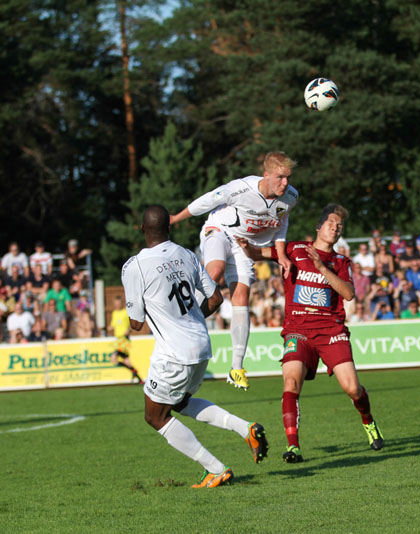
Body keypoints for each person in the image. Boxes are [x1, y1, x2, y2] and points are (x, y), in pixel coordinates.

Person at [122, 205, 268, 488]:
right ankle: (245, 428)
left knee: (155, 416)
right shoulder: (187, 254)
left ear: (142, 230)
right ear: (169, 228)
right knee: (180, 402)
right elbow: (215, 300)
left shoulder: (134, 266)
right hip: (201, 345)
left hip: (174, 353)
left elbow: (136, 323)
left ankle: (215, 469)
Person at [235, 204, 384, 463]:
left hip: (330, 330)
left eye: (340, 226)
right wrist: (245, 245)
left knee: (352, 389)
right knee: (291, 384)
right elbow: (258, 253)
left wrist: (322, 268)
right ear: (319, 226)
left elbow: (348, 294)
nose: (336, 229)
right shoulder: (294, 249)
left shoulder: (340, 262)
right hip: (298, 330)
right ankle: (293, 447)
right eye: (331, 223)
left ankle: (368, 421)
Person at [170, 151, 298, 391]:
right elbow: (207, 200)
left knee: (241, 297)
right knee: (215, 272)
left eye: (288, 177)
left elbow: (282, 225)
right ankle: (183, 322)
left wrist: (280, 254)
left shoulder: (290, 197)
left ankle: (236, 368)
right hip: (219, 231)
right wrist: (175, 218)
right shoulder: (240, 188)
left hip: (244, 247)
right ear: (267, 174)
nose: (286, 183)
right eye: (280, 177)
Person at [107, 295, 142, 383]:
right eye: (115, 303)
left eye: (118, 303)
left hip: (123, 339)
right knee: (127, 361)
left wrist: (129, 330)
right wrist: (107, 328)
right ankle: (137, 376)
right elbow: (113, 325)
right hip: (118, 339)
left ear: (121, 303)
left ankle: (135, 374)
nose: (117, 305)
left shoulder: (126, 312)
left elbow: (132, 324)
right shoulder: (114, 313)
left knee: (113, 358)